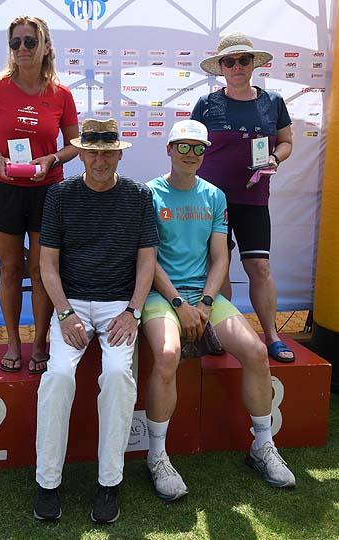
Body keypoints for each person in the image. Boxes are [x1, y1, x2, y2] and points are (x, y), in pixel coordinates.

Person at [142, 119, 295, 501]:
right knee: (168, 355)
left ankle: (262, 446)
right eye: (183, 146)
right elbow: (148, 261)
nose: (191, 154)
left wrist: (206, 303)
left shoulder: (214, 196)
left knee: (256, 351)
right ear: (169, 149)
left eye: (198, 148)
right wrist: (180, 304)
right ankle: (157, 456)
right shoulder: (149, 194)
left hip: (204, 297)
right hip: (161, 296)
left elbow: (220, 257)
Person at [34, 118, 159, 523]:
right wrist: (64, 312)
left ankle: (109, 482)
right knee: (57, 377)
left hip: (119, 304)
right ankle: (47, 482)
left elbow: (147, 260)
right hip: (71, 302)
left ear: (119, 154)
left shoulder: (139, 196)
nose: (100, 160)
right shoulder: (60, 194)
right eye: (92, 153)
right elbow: (47, 264)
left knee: (119, 376)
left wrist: (133, 311)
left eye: (107, 153)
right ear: (82, 154)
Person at [0, 15, 79, 374]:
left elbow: (74, 144)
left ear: (45, 46)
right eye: (15, 42)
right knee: (11, 268)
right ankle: (13, 343)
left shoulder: (61, 94)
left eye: (30, 42)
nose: (22, 48)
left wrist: (52, 158)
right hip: (3, 188)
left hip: (47, 190)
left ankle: (40, 343)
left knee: (41, 269)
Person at [191, 32, 294, 363]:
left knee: (259, 267)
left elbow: (286, 142)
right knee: (217, 269)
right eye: (229, 61)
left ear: (253, 64)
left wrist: (275, 158)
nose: (237, 66)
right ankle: (223, 334)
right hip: (212, 203)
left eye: (243, 60)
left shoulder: (273, 102)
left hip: (253, 200)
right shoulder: (206, 104)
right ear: (221, 67)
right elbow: (189, 147)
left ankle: (272, 336)